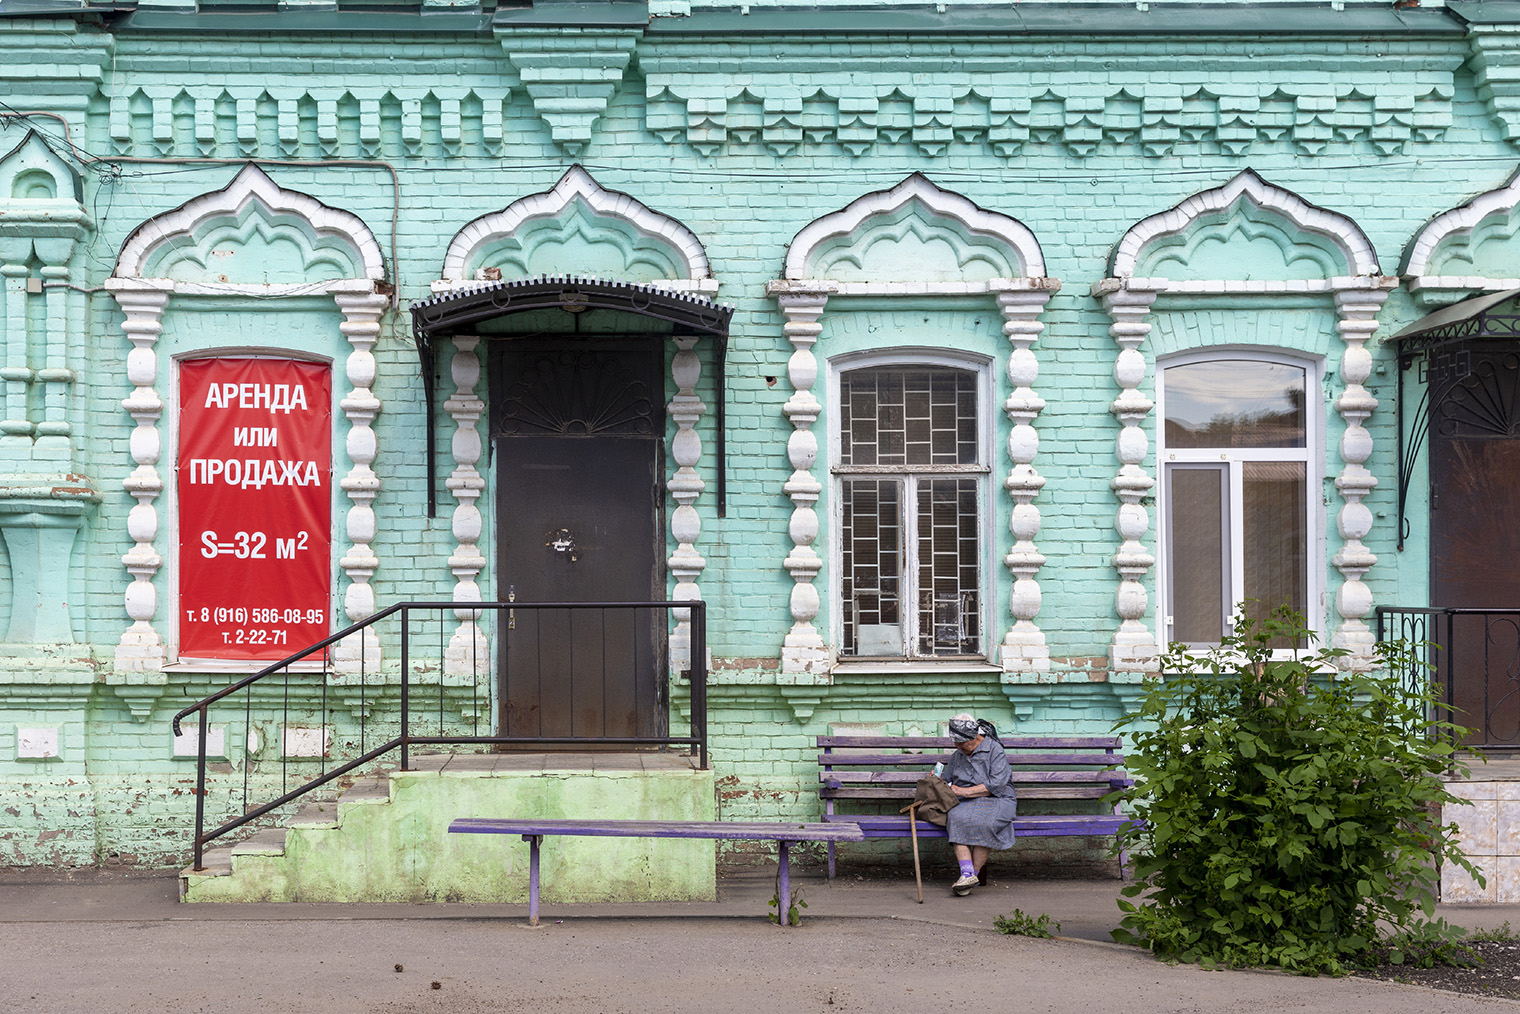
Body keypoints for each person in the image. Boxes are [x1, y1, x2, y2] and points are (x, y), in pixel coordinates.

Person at [942, 713, 1017, 896]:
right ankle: (967, 875)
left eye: (962, 743)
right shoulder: (958, 754)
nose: (958, 747)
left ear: (975, 736)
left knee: (985, 822)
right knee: (955, 817)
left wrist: (962, 791)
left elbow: (996, 785)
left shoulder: (994, 750)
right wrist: (936, 780)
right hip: (967, 802)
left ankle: (971, 876)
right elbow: (946, 779)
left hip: (998, 799)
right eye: (956, 743)